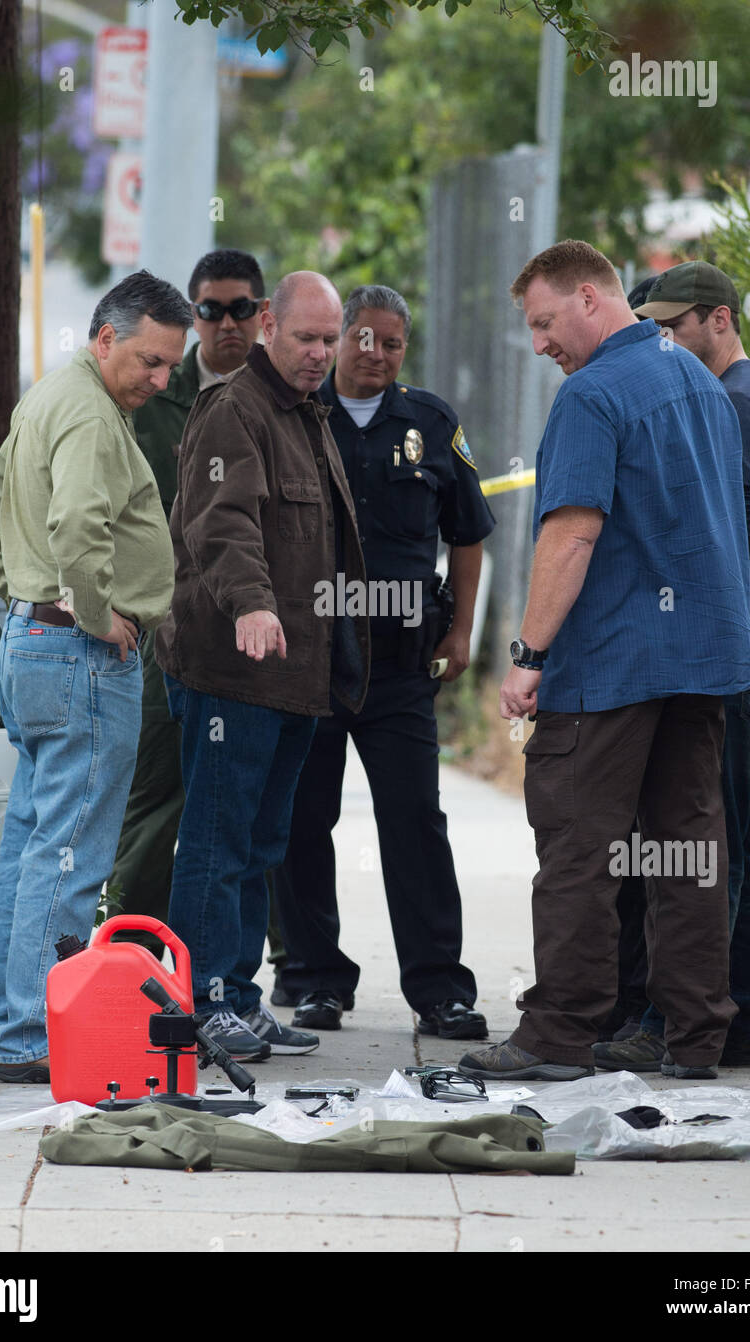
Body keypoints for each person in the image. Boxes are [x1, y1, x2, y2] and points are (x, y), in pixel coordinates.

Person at [459, 240, 750, 1083]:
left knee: (578, 851)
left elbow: (572, 531)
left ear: (590, 298)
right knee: (685, 852)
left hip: (613, 666)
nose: (540, 344)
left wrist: (527, 654)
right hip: (701, 661)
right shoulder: (699, 382)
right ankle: (694, 1035)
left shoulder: (592, 395)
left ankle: (556, 1035)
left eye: (546, 322)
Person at [0, 271, 191, 1082]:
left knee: (33, 850)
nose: (162, 380)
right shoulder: (92, 416)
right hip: (81, 656)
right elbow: (74, 524)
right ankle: (31, 1037)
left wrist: (27, 602)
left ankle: (8, 1028)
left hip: (33, 644)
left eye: (172, 366)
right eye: (151, 361)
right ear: (106, 338)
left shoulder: (46, 397)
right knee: (69, 858)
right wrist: (90, 614)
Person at [594, 262, 750, 1073]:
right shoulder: (749, 391)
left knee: (698, 858)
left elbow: (741, 555)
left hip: (748, 663)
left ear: (717, 319)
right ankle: (746, 1026)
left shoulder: (737, 403)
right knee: (745, 854)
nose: (662, 342)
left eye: (673, 326)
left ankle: (665, 1022)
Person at [270, 284, 496, 1038]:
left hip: (402, 666)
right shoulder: (298, 417)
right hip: (312, 663)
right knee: (304, 820)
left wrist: (461, 632)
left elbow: (467, 532)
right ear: (339, 339)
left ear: (404, 350)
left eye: (390, 343)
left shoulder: (429, 424)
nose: (373, 354)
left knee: (414, 824)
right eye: (360, 338)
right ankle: (313, 981)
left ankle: (439, 990)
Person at [155, 271, 370, 1061]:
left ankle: (238, 998)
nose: (320, 353)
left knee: (261, 845)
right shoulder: (233, 410)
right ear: (269, 329)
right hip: (229, 675)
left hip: (291, 678)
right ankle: (202, 1001)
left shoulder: (306, 417)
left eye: (329, 339)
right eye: (307, 338)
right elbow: (222, 522)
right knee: (217, 843)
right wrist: (250, 602)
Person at [109, 249, 269, 931]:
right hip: (163, 626)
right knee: (156, 792)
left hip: (255, 628)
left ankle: (274, 966)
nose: (226, 323)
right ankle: (137, 952)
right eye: (210, 309)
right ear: (194, 314)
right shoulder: (154, 398)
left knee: (260, 798)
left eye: (241, 309)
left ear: (262, 315)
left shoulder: (287, 398)